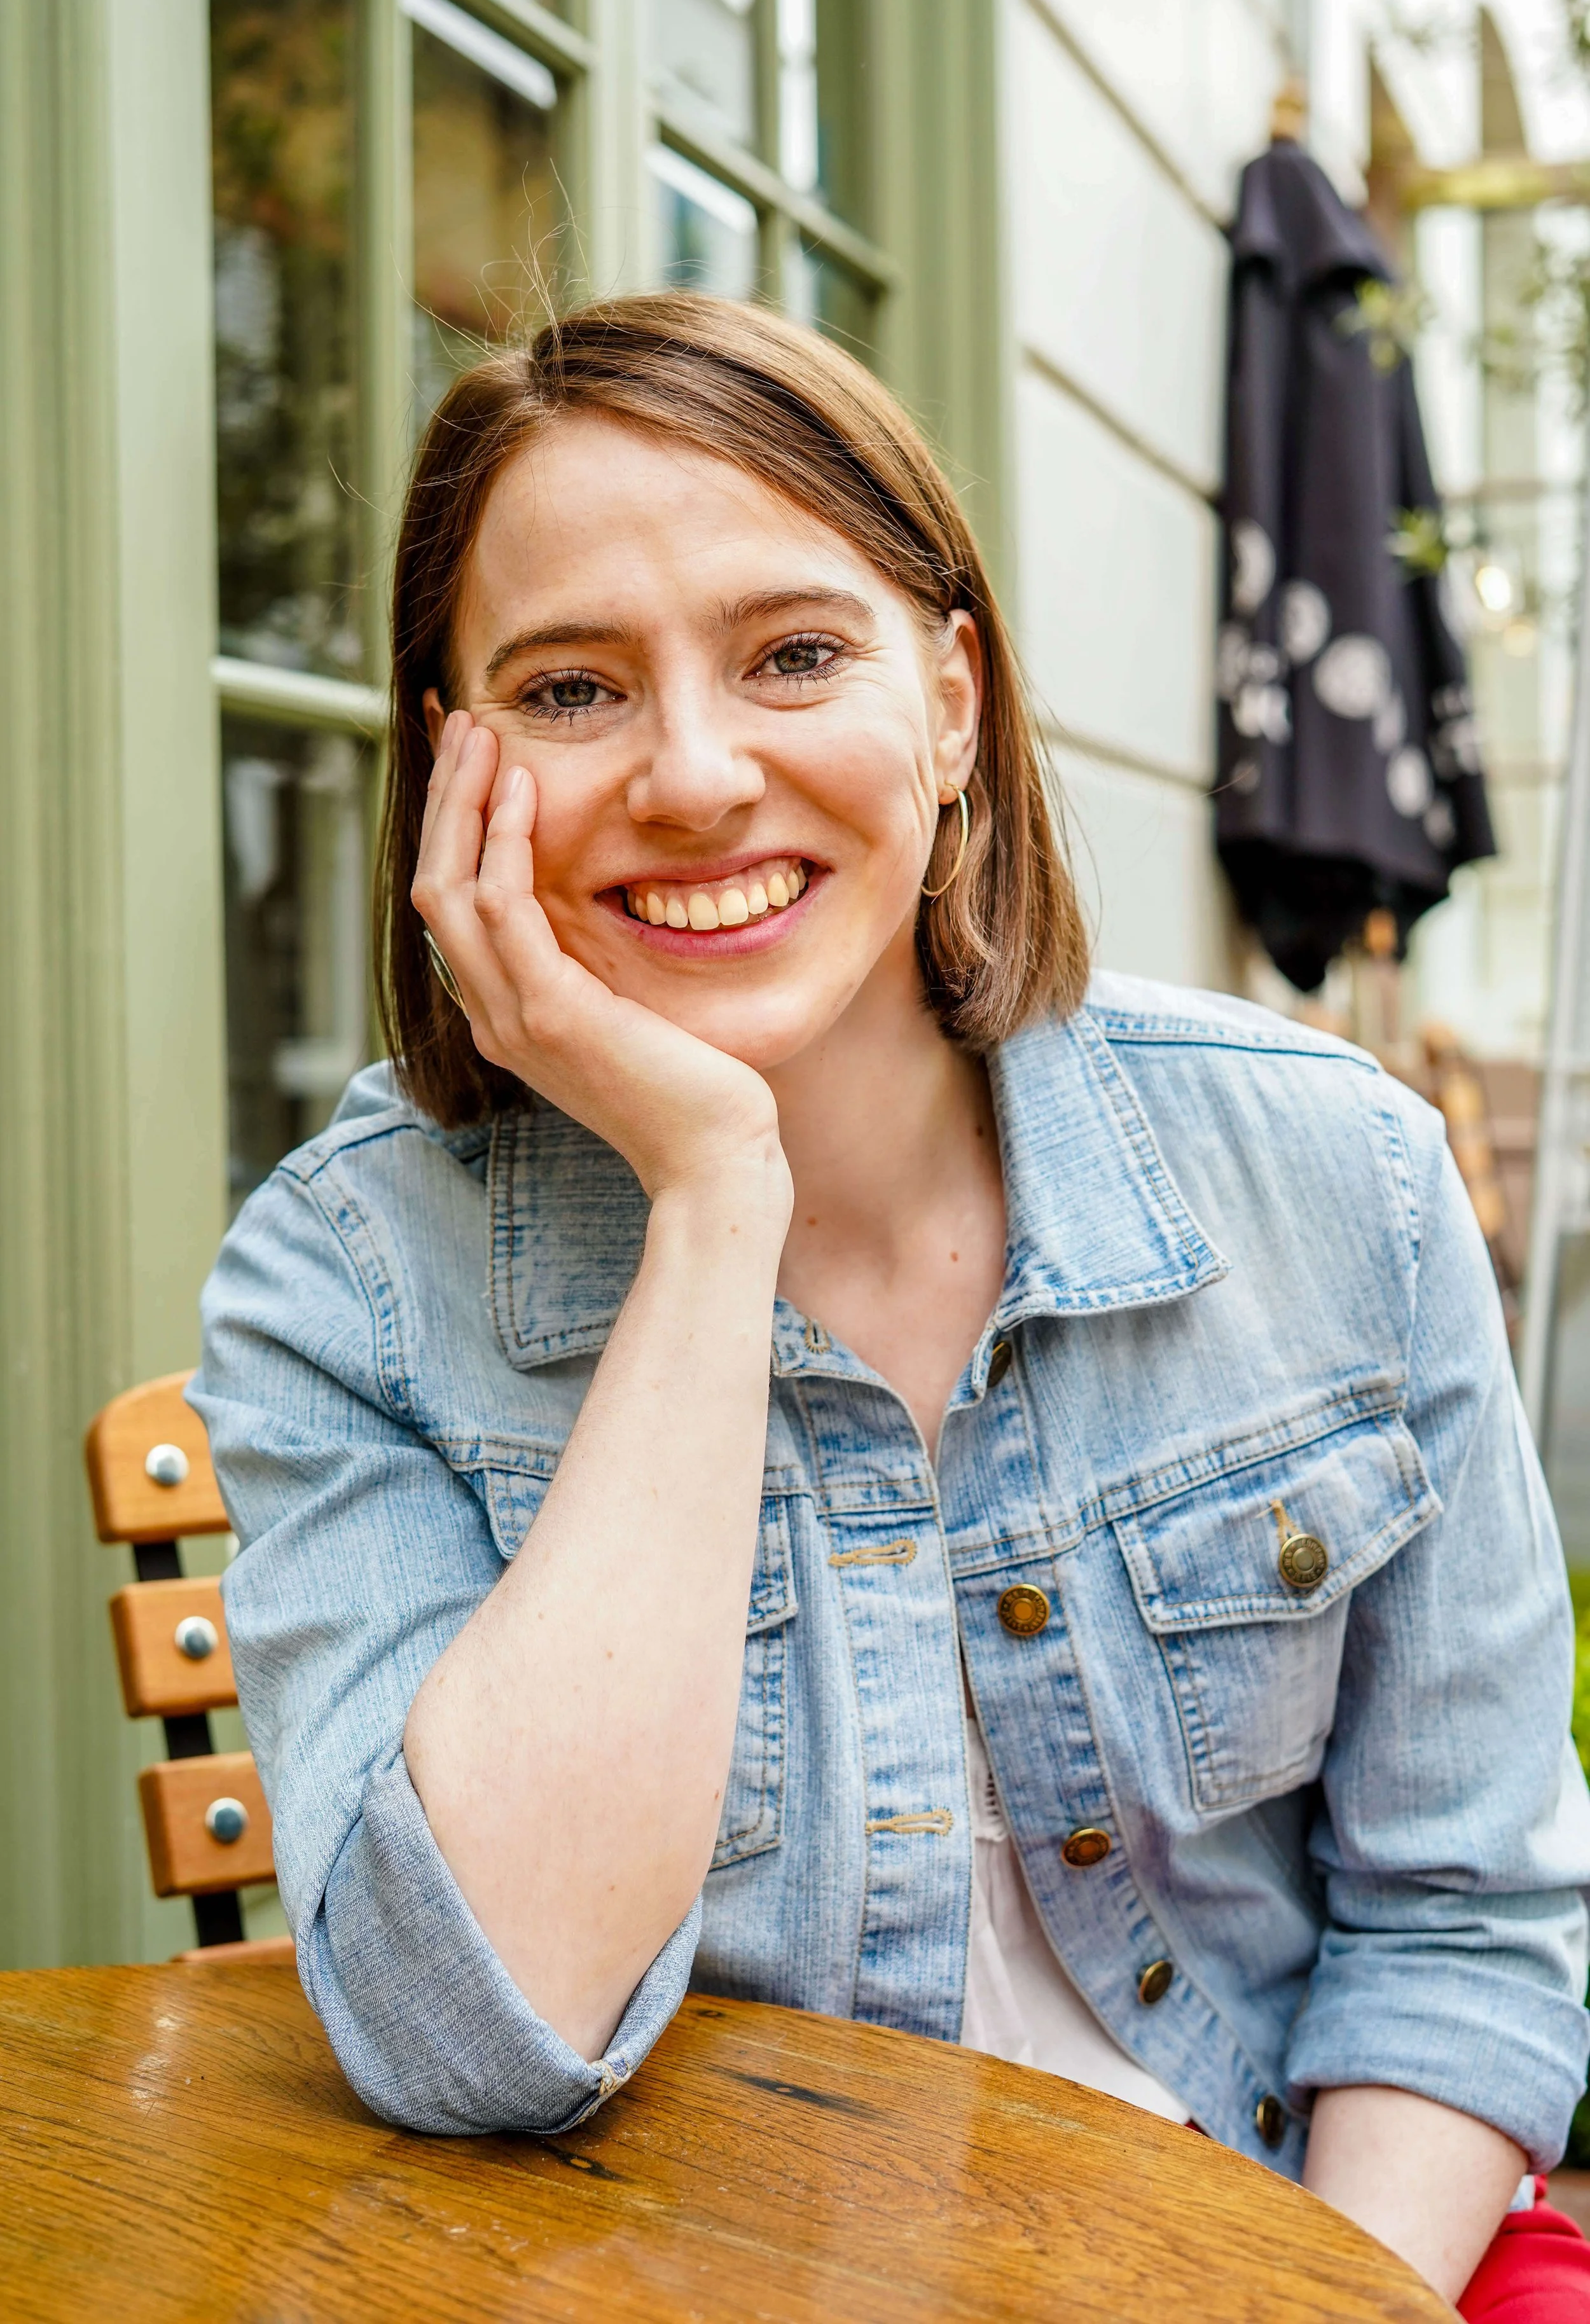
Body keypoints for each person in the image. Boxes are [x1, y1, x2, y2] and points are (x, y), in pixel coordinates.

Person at [195, 293, 1590, 2315]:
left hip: (1305, 2238)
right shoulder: (347, 1282)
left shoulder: (1336, 1174)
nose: (691, 773)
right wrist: (707, 1192)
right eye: (572, 688)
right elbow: (472, 2027)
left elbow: (1463, 1929)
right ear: (454, 768)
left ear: (950, 702)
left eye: (794, 655)